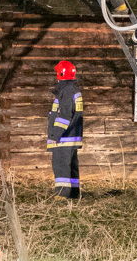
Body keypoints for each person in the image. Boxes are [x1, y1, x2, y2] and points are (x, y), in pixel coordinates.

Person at [46, 60, 84, 199]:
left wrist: (56, 135)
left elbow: (64, 116)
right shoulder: (73, 89)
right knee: (71, 166)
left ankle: (62, 194)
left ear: (61, 74)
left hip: (64, 137)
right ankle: (73, 193)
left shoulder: (66, 91)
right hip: (73, 136)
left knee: (61, 165)